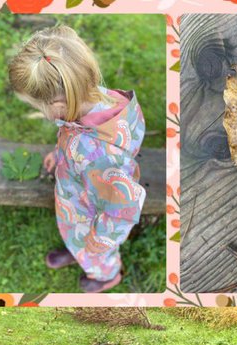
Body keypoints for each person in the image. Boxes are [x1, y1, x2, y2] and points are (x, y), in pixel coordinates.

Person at [8, 24, 146, 293]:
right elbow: (72, 133)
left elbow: (123, 209)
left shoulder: (102, 156)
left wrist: (100, 241)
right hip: (79, 194)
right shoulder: (103, 101)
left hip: (91, 212)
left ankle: (105, 275)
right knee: (75, 234)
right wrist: (60, 153)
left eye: (38, 107)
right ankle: (76, 248)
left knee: (95, 253)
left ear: (58, 105)